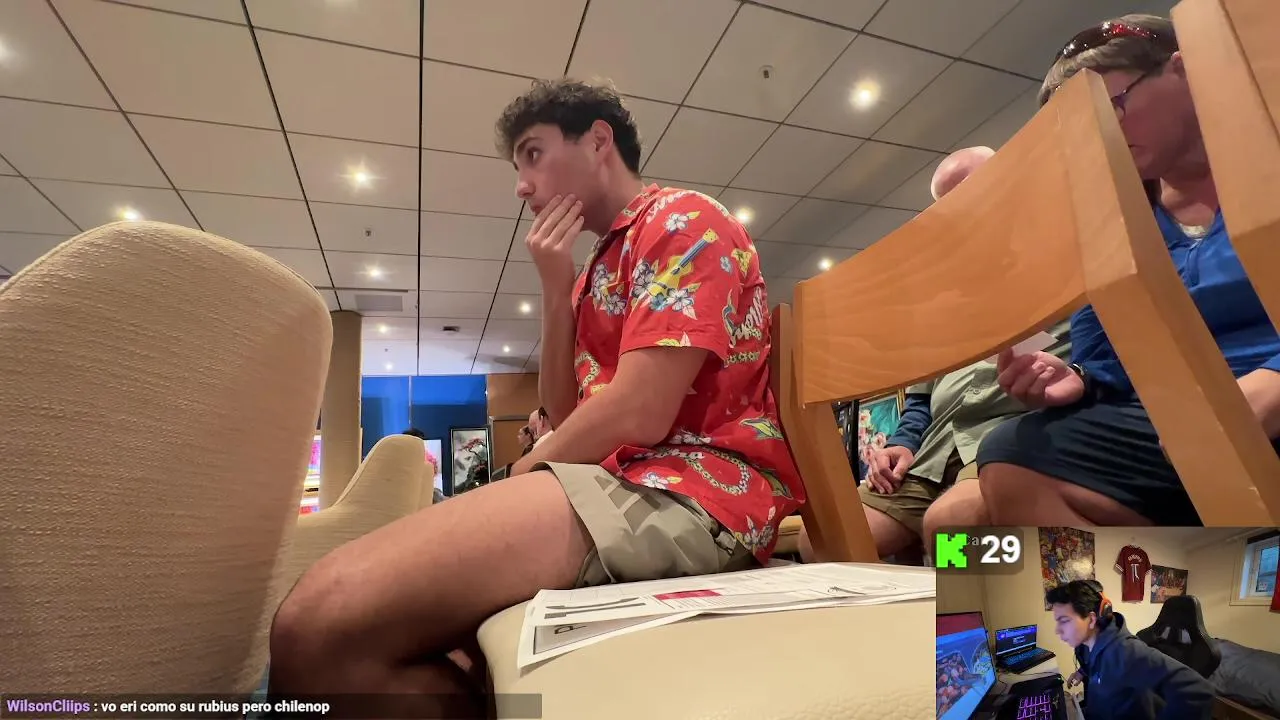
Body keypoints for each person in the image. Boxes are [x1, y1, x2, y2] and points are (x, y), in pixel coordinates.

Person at [266, 78, 802, 716]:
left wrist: (523, 468)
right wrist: (556, 288)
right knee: (340, 633)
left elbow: (641, 409)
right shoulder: (598, 264)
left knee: (321, 622)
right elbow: (566, 413)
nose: (522, 185)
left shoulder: (682, 219)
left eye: (533, 154)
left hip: (696, 492)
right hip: (622, 482)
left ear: (598, 140)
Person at [976, 14, 1280, 526]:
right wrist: (1080, 377)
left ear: (1182, 69)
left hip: (1259, 395)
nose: (1103, 136)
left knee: (974, 531)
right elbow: (1105, 351)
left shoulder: (1267, 156)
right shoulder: (1113, 218)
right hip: (1179, 425)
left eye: (1115, 105)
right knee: (1008, 462)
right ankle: (1172, 575)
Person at [796, 146, 1070, 563]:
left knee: (951, 531)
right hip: (935, 451)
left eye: (974, 191)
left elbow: (1095, 362)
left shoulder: (1061, 261)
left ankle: (981, 600)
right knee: (822, 542)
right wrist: (902, 444)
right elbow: (919, 402)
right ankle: (932, 592)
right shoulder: (941, 301)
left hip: (1014, 434)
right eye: (950, 205)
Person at [1047, 580, 1212, 720]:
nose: (1057, 630)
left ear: (1091, 620)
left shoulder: (1127, 653)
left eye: (1064, 620)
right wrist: (1082, 672)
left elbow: (1198, 692)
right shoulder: (1086, 646)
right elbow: (1094, 663)